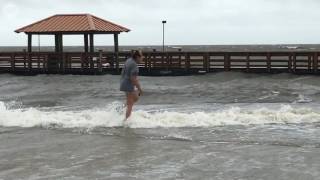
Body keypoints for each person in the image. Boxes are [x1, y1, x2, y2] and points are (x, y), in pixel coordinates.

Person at [120, 50, 143, 120]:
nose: (142, 58)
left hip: (124, 82)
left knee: (135, 98)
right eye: (141, 56)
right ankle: (126, 122)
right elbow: (133, 79)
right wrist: (140, 89)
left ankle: (120, 109)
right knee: (130, 104)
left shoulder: (129, 60)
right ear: (137, 57)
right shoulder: (134, 66)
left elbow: (123, 72)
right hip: (128, 84)